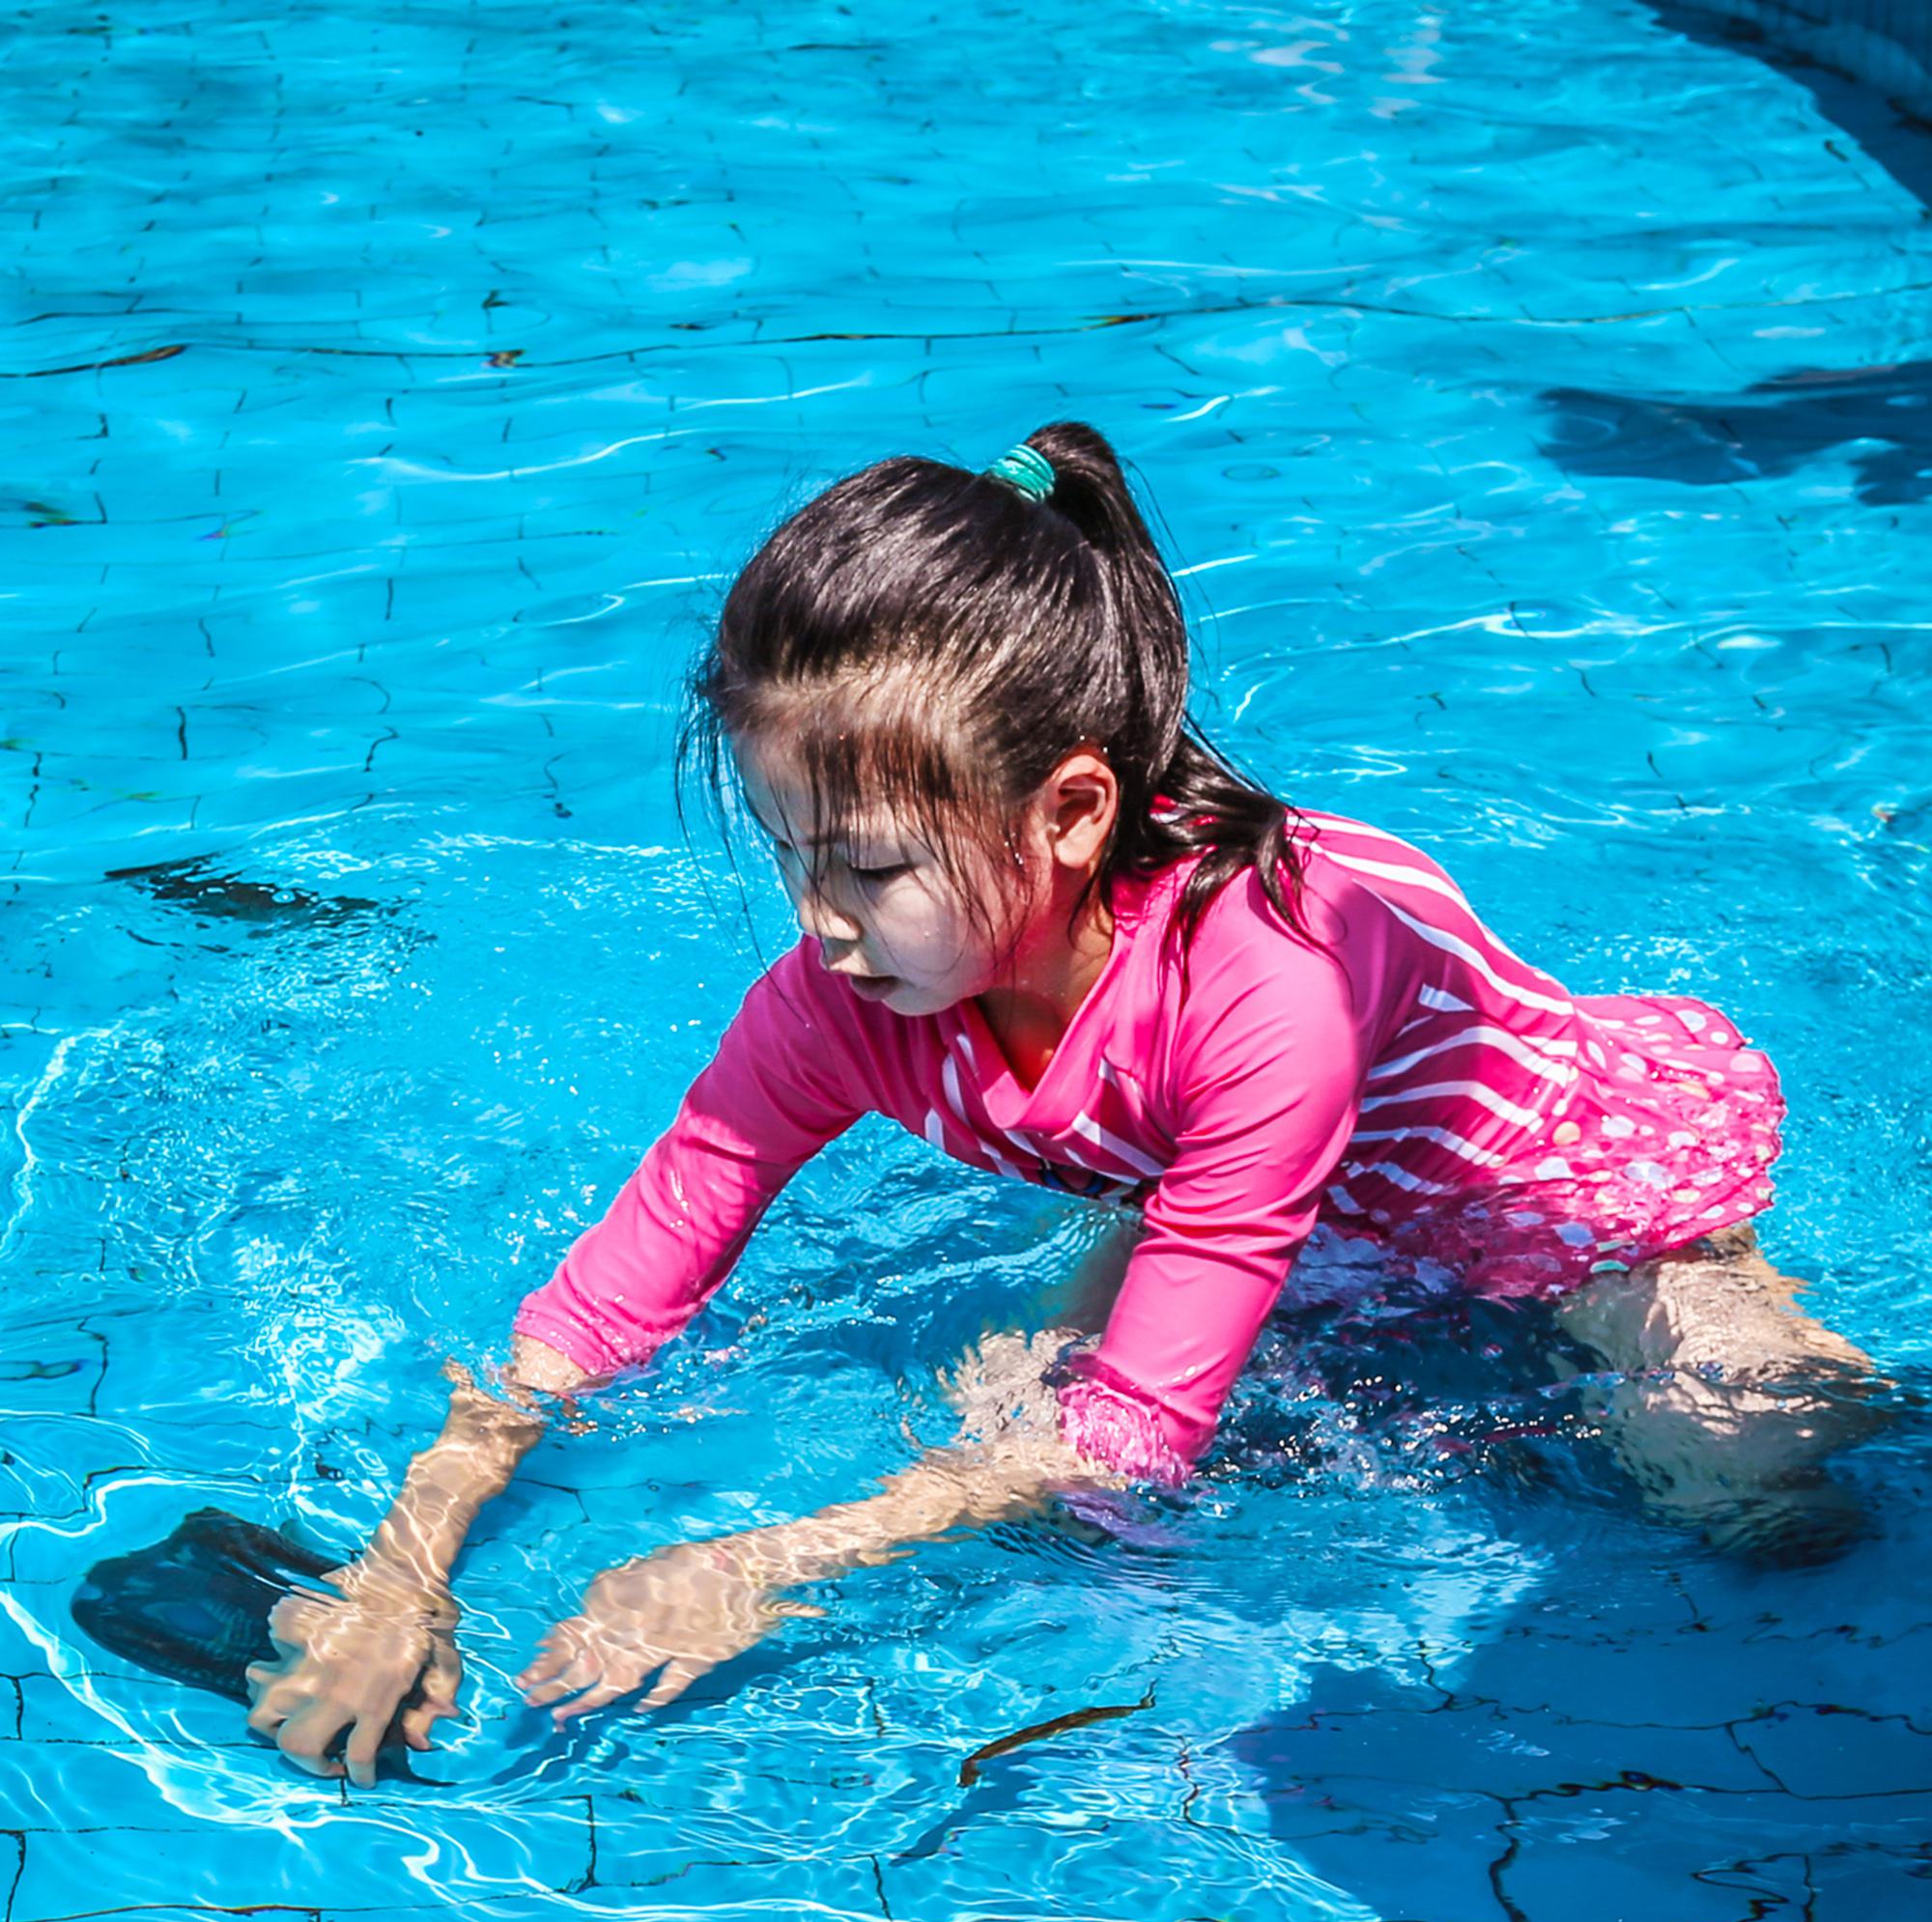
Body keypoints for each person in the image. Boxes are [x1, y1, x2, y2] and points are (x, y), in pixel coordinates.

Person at [244, 422, 1869, 1787]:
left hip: (1544, 1188)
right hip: (1205, 1174)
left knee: (1746, 1478)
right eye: (789, 851)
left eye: (868, 865)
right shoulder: (856, 989)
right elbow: (633, 1268)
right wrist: (410, 1559)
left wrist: (751, 1568)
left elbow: (1144, 1435)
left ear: (1073, 812)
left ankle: (1746, 1333)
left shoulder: (1272, 989)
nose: (816, 918)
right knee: (998, 1422)